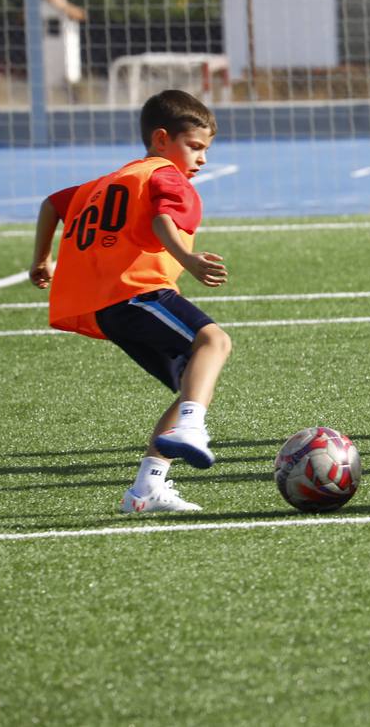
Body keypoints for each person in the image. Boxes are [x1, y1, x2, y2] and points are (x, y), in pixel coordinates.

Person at [28, 89, 233, 513]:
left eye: (205, 150)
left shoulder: (104, 182)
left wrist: (42, 258)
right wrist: (188, 259)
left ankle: (146, 489)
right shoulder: (165, 174)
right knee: (215, 343)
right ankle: (193, 429)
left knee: (192, 384)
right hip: (137, 292)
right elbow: (162, 219)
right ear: (162, 140)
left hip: (108, 307)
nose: (202, 159)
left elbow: (51, 203)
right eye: (194, 146)